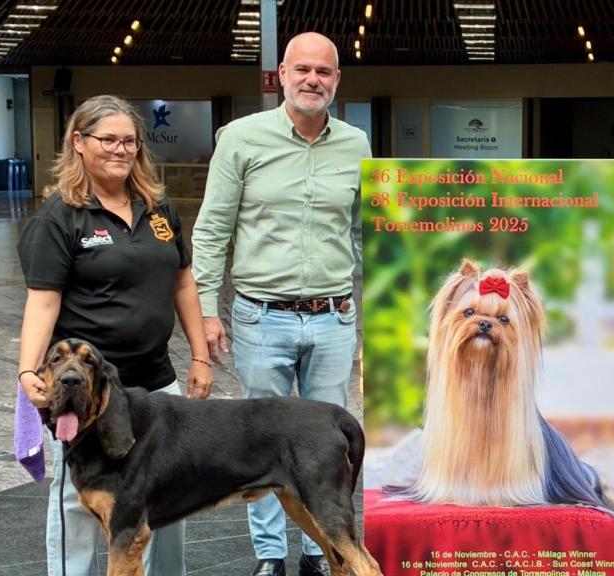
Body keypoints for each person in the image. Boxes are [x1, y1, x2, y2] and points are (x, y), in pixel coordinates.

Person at [192, 31, 370, 576]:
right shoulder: (241, 139)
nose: (313, 79)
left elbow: (364, 232)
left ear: (337, 80)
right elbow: (212, 228)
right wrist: (204, 309)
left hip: (333, 319)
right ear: (282, 76)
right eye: (302, 70)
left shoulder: (356, 144)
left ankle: (320, 553)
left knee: (324, 454)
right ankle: (270, 557)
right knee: (263, 448)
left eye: (324, 72)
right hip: (260, 317)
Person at [16, 94, 212, 576]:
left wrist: (200, 356)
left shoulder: (159, 205)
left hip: (154, 381)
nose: (121, 150)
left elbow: (183, 280)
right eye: (108, 140)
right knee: (79, 502)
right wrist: (27, 369)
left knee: (167, 495)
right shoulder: (61, 216)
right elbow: (43, 301)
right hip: (87, 386)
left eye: (129, 141)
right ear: (79, 143)